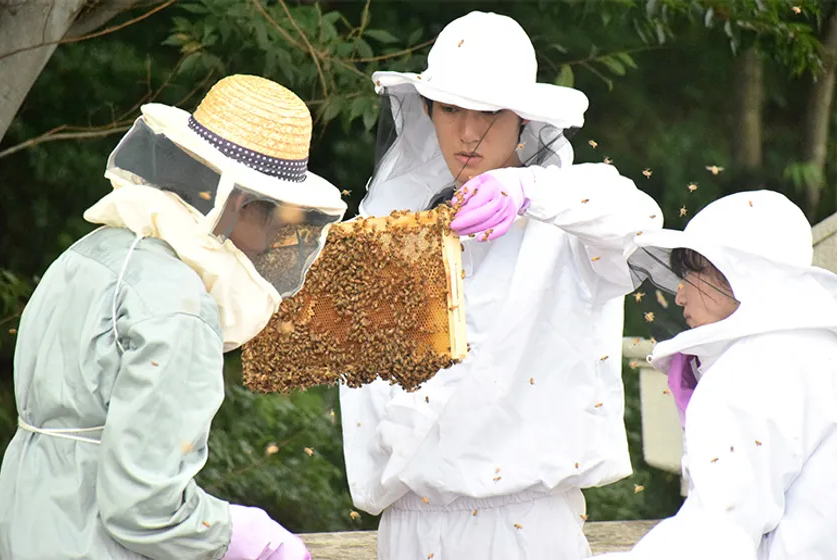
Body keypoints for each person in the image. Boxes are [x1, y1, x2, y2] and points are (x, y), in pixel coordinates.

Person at [339, 11, 664, 559]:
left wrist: (529, 189)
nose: (468, 132)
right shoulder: (393, 219)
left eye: (490, 112)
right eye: (450, 109)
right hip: (406, 528)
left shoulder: (568, 218)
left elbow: (640, 222)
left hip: (524, 528)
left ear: (524, 118)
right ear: (427, 110)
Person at [0, 75, 347, 559]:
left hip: (28, 529)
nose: (275, 242)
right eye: (281, 219)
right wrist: (233, 534)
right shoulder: (179, 305)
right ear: (243, 204)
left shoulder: (88, 253)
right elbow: (146, 509)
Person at [596, 190, 837, 560]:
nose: (678, 297)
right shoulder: (816, 349)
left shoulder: (751, 371)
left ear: (737, 273)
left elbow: (715, 537)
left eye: (692, 274)